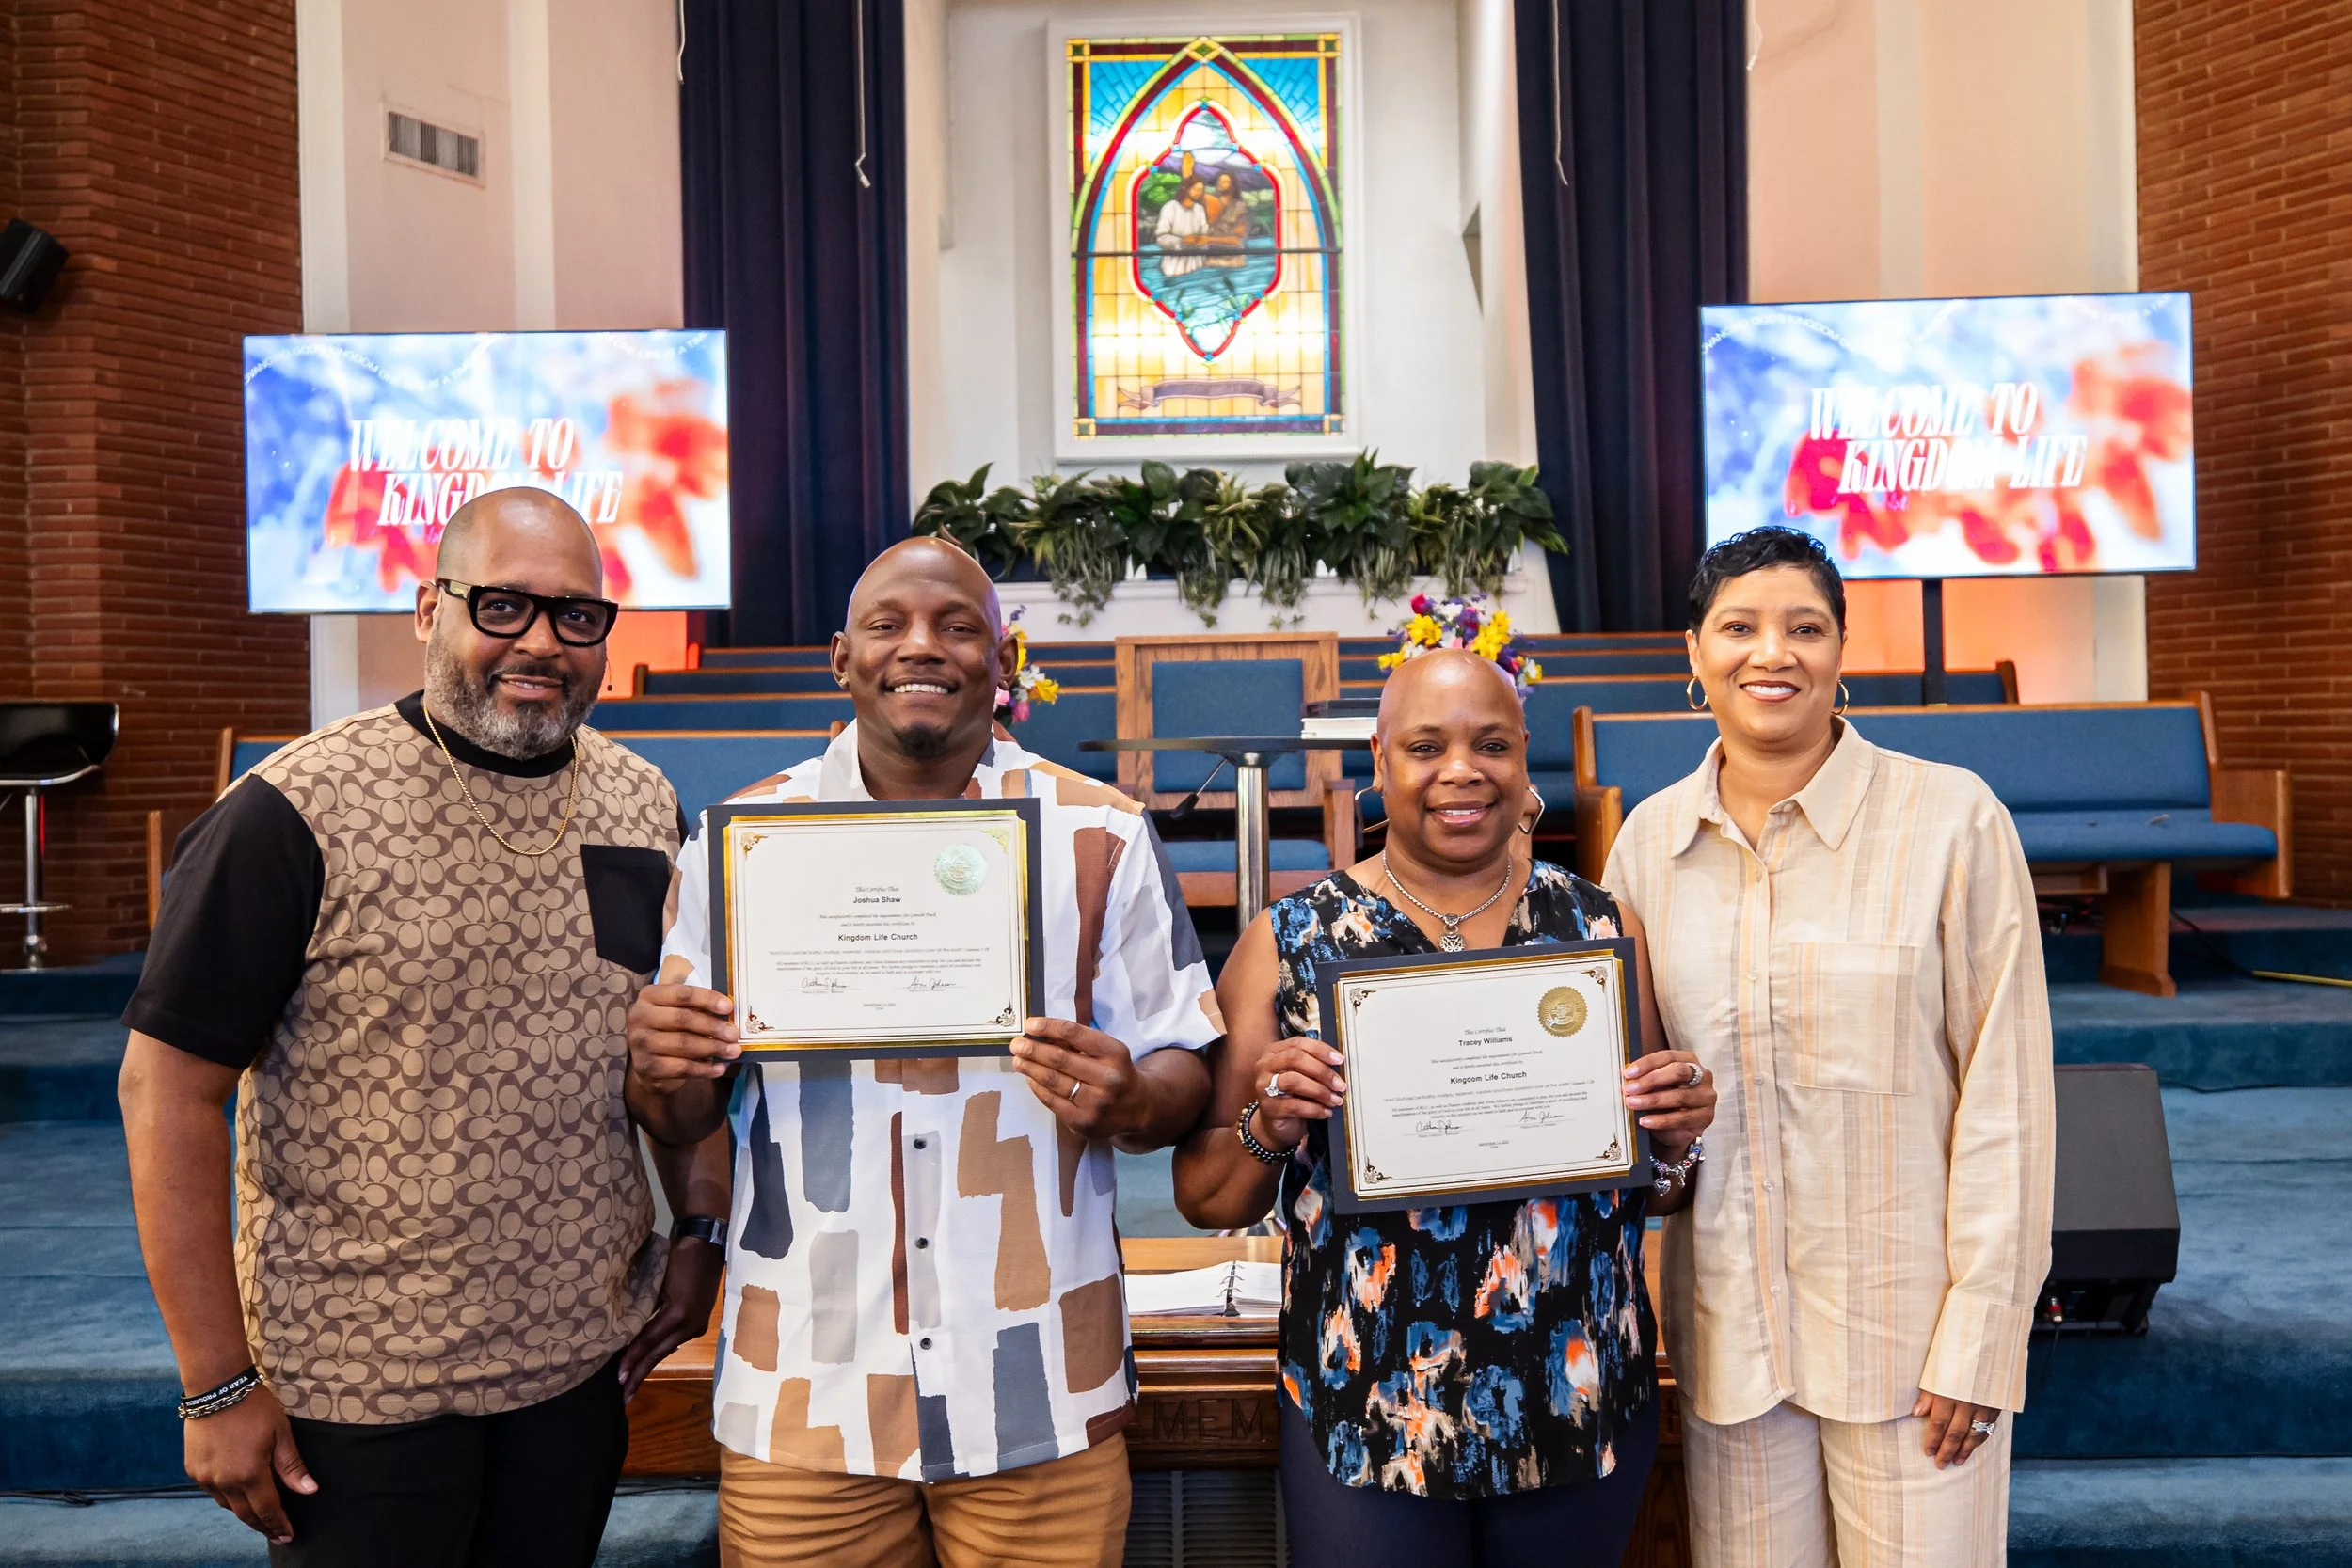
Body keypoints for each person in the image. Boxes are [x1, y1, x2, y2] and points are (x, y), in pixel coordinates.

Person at [116, 487, 725, 1566]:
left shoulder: (642, 803)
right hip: (358, 1387)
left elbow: (671, 1043)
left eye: (576, 615)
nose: (541, 642)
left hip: (574, 1362)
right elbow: (165, 1089)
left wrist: (697, 1230)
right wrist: (214, 1380)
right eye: (503, 605)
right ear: (428, 608)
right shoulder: (294, 810)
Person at [625, 537, 1220, 1568]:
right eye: (888, 624)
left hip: (1039, 1382)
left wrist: (1131, 1098)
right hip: (805, 1385)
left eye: (956, 626)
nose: (922, 646)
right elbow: (682, 1114)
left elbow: (1183, 1067)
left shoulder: (1101, 835)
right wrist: (661, 1070)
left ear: (1003, 659)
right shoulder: (740, 842)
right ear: (841, 657)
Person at [1171, 649, 1717, 1568]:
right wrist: (1270, 1122)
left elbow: (1658, 1186)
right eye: (1426, 747)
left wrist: (1673, 1137)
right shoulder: (1289, 940)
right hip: (1368, 1397)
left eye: (1490, 745)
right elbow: (1204, 1195)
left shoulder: (1598, 928)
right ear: (1380, 759)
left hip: (1573, 1386)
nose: (1461, 770)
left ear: (1523, 756)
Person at [1602, 527, 2055, 1568]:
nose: (1773, 653)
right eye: (1739, 627)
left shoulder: (1951, 821)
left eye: (1804, 628)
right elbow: (1639, 1101)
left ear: (1841, 649)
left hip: (1911, 1346)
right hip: (1733, 1348)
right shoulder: (1649, 845)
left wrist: (1983, 1333)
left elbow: (2008, 1101)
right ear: (1694, 652)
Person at [1154, 176, 1210, 276]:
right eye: (1196, 189)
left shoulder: (1200, 209)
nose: (1199, 193)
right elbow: (1161, 238)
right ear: (1186, 188)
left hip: (1197, 264)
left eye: (1201, 190)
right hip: (1174, 265)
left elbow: (1205, 233)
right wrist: (1183, 241)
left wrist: (1203, 240)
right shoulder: (1170, 207)